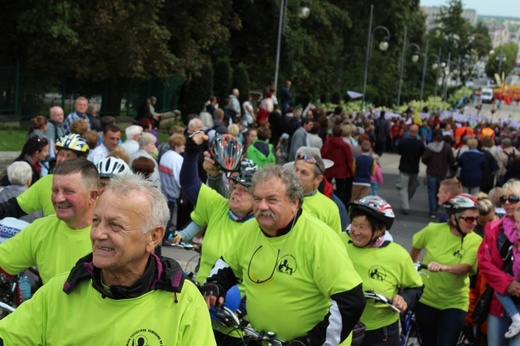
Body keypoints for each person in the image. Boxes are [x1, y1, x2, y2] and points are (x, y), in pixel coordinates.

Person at [0, 174, 216, 345]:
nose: (97, 234)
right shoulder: (59, 292)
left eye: (115, 225)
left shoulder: (184, 301)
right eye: (96, 221)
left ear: (154, 237)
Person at [201, 164, 365, 345]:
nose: (262, 206)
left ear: (294, 203)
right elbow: (227, 264)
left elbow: (351, 301)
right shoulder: (249, 229)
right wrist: (215, 284)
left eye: (272, 199)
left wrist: (310, 342)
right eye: (257, 198)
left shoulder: (320, 239)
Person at [0, 159, 99, 285]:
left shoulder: (111, 234)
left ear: (92, 196)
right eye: (55, 191)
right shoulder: (41, 229)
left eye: (68, 191)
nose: (58, 198)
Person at [342, 195, 423, 346]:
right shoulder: (338, 241)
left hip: (380, 330)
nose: (356, 231)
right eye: (354, 224)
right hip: (340, 324)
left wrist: (404, 298)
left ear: (380, 229)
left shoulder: (397, 255)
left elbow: (415, 287)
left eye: (362, 227)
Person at [411, 194, 482, 346]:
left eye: (476, 218)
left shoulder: (475, 240)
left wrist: (443, 267)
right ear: (454, 218)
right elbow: (415, 249)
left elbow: (466, 268)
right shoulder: (432, 230)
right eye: (469, 219)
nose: (474, 223)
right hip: (426, 299)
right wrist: (412, 271)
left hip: (455, 302)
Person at [0, 134, 90, 221]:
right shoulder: (46, 181)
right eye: (61, 154)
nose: (62, 159)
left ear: (80, 160)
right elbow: (15, 207)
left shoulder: (89, 184)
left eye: (69, 156)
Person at [478, 179, 520, 345]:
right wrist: (508, 283)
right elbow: (484, 262)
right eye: (503, 199)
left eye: (513, 199)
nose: (507, 203)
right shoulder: (494, 228)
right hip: (500, 303)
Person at [288, 146, 342, 233]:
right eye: (295, 170)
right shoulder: (279, 197)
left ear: (318, 179)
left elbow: (334, 242)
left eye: (304, 173)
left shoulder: (329, 208)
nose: (296, 175)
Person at [422, 128, 455, 219]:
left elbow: (424, 159)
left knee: (432, 192)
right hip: (443, 172)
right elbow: (451, 159)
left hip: (432, 172)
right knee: (440, 191)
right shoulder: (447, 147)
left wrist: (430, 163)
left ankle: (433, 211)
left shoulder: (429, 147)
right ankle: (438, 206)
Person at [159, 134, 186, 243]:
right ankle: (166, 239)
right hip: (173, 193)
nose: (184, 147)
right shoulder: (177, 159)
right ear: (176, 146)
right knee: (170, 219)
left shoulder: (165, 155)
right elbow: (180, 178)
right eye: (182, 145)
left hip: (165, 190)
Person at [321, 124, 354, 206]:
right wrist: (351, 170)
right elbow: (348, 159)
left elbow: (322, 154)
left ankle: (325, 201)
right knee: (340, 189)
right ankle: (341, 204)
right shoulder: (345, 145)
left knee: (326, 186)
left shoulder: (328, 143)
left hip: (329, 168)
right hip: (341, 170)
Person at [396, 124, 425, 215]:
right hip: (414, 168)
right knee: (412, 187)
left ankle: (405, 204)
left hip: (404, 167)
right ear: (417, 132)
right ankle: (406, 204)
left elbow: (399, 151)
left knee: (403, 187)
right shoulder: (420, 143)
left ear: (409, 131)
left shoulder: (403, 142)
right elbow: (422, 153)